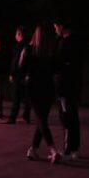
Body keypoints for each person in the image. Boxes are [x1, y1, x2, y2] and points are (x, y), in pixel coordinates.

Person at [26, 23, 62, 163]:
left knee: (42, 121)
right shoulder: (49, 53)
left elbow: (24, 69)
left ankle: (36, 149)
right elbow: (55, 70)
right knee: (42, 120)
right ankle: (45, 149)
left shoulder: (30, 51)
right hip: (46, 90)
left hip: (35, 90)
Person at [54, 18, 84, 160]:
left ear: (61, 26)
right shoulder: (77, 41)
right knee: (73, 116)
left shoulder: (65, 43)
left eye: (56, 27)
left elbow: (59, 63)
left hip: (65, 86)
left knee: (66, 117)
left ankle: (68, 149)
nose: (55, 30)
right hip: (74, 84)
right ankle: (75, 148)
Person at [3, 26, 32, 124]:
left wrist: (12, 73)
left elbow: (18, 62)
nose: (15, 35)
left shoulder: (21, 46)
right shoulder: (26, 45)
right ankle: (25, 116)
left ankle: (13, 117)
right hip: (22, 75)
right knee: (25, 97)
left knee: (17, 97)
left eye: (16, 33)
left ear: (19, 34)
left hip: (20, 75)